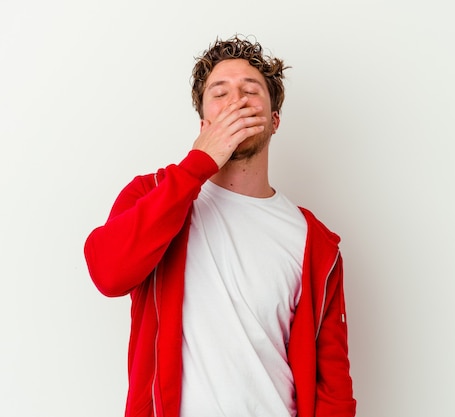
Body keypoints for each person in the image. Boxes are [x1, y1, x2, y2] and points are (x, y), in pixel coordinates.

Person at [84, 35, 356, 417]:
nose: (236, 102)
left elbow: (333, 386)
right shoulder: (155, 194)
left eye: (251, 91)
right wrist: (199, 162)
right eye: (220, 93)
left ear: (274, 121)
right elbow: (108, 273)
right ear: (203, 122)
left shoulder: (316, 245)